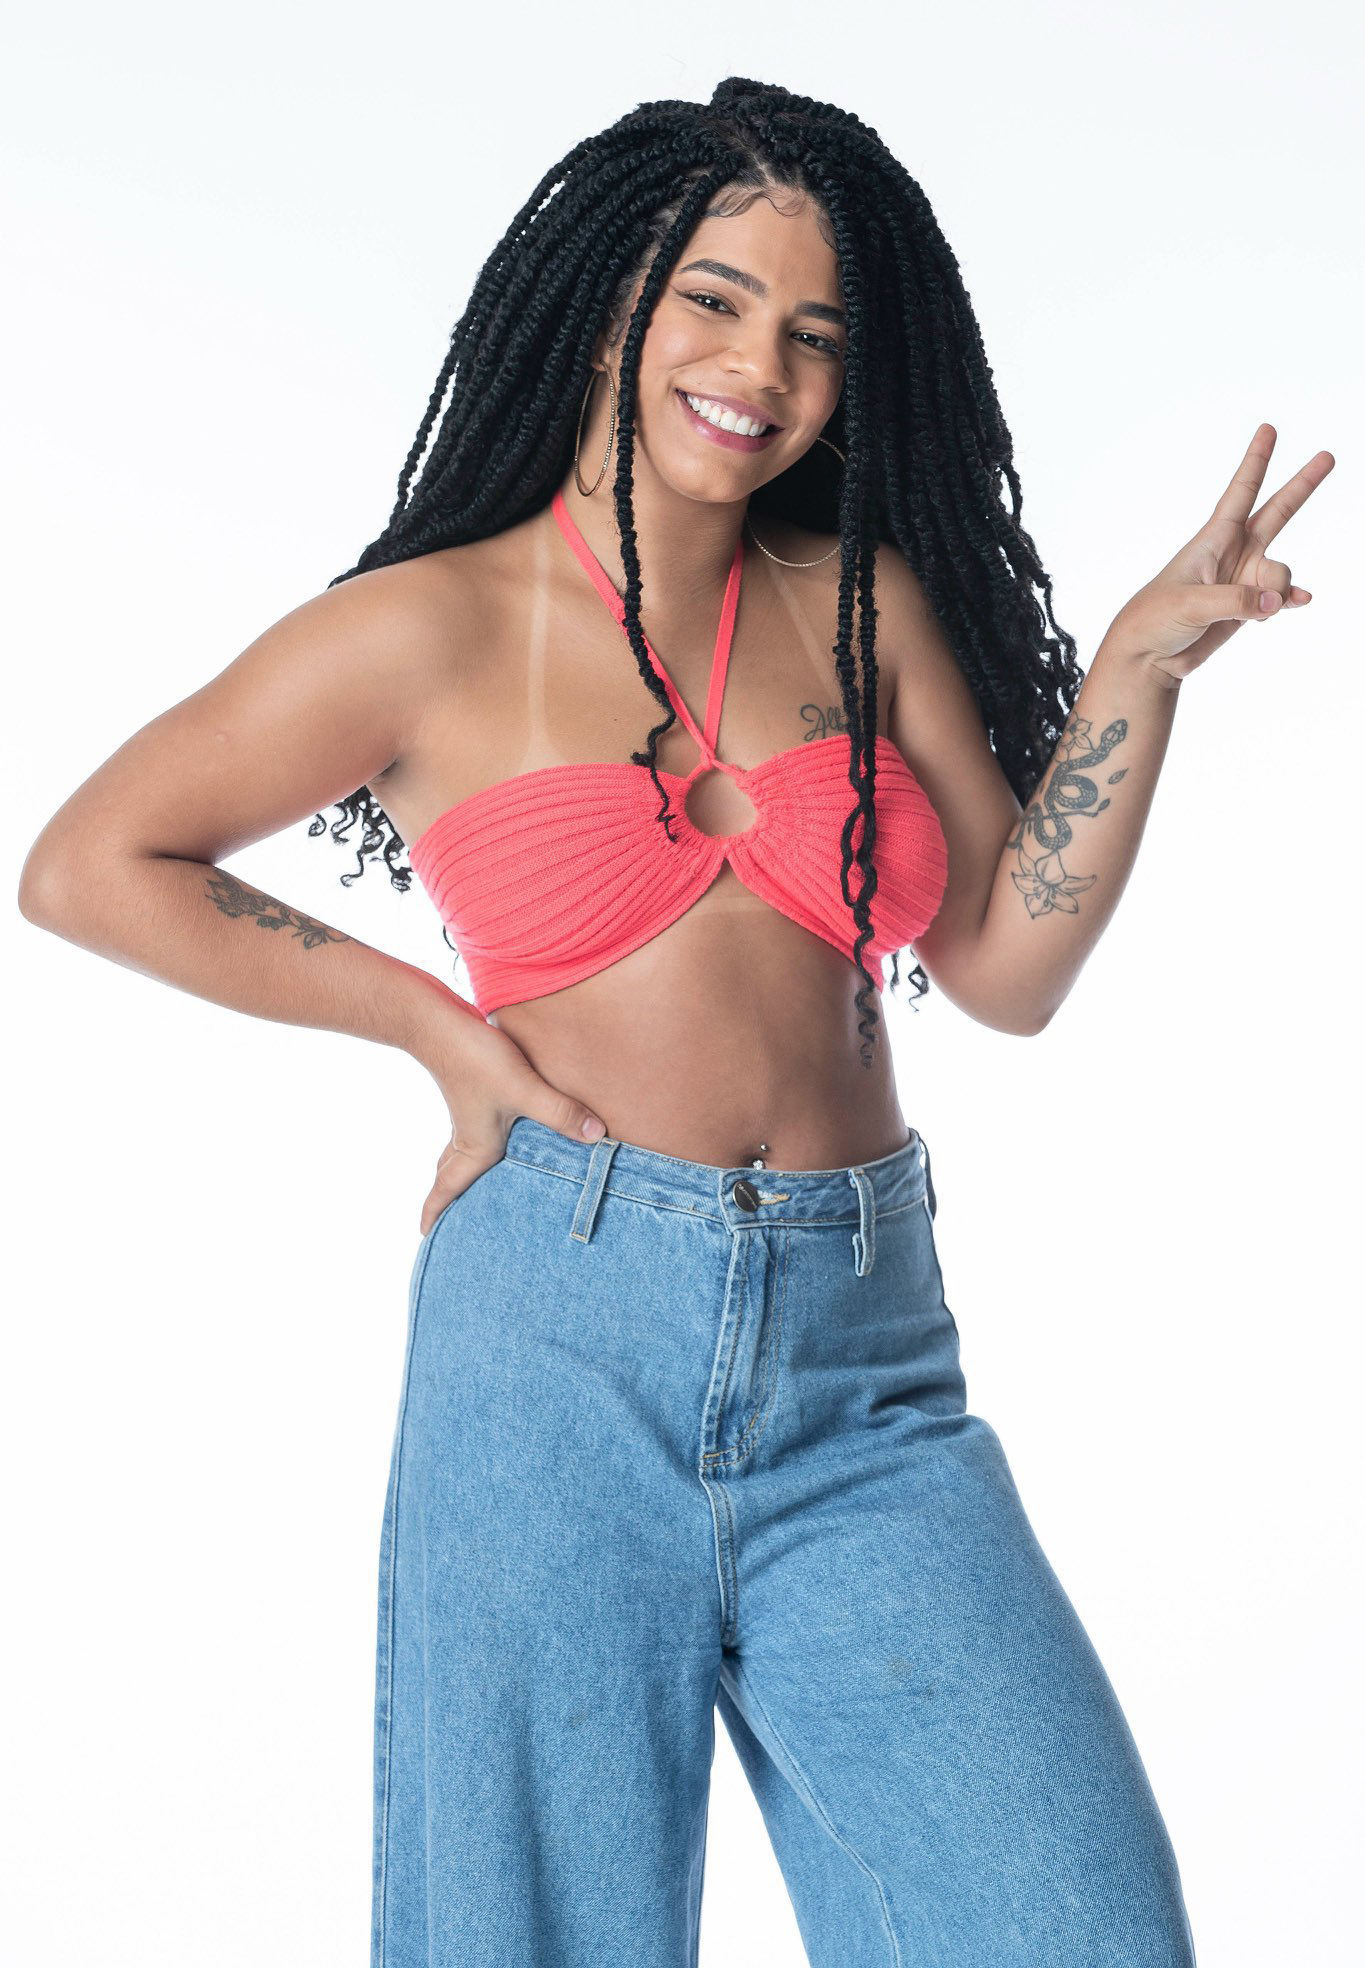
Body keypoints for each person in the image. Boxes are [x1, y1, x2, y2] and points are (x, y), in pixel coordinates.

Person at [17, 74, 1331, 1968]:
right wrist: (436, 1034)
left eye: (814, 332)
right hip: (557, 1335)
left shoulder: (861, 601)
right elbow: (90, 864)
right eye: (713, 300)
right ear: (611, 303)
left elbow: (1006, 968)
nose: (757, 366)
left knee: (1074, 1926)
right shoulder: (430, 627)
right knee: (528, 1936)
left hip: (862, 1361)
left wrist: (1138, 666)